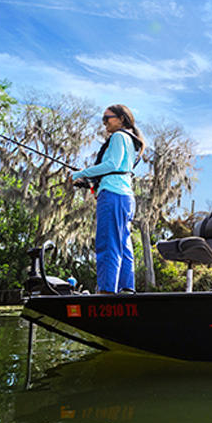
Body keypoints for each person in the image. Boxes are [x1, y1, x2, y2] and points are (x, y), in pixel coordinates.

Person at [71, 105, 144, 293]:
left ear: (121, 119)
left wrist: (81, 173)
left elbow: (112, 164)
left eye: (107, 118)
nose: (104, 123)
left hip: (112, 195)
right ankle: (126, 289)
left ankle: (107, 291)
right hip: (124, 197)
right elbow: (116, 169)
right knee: (123, 244)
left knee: (108, 243)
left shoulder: (119, 136)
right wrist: (89, 181)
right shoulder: (129, 138)